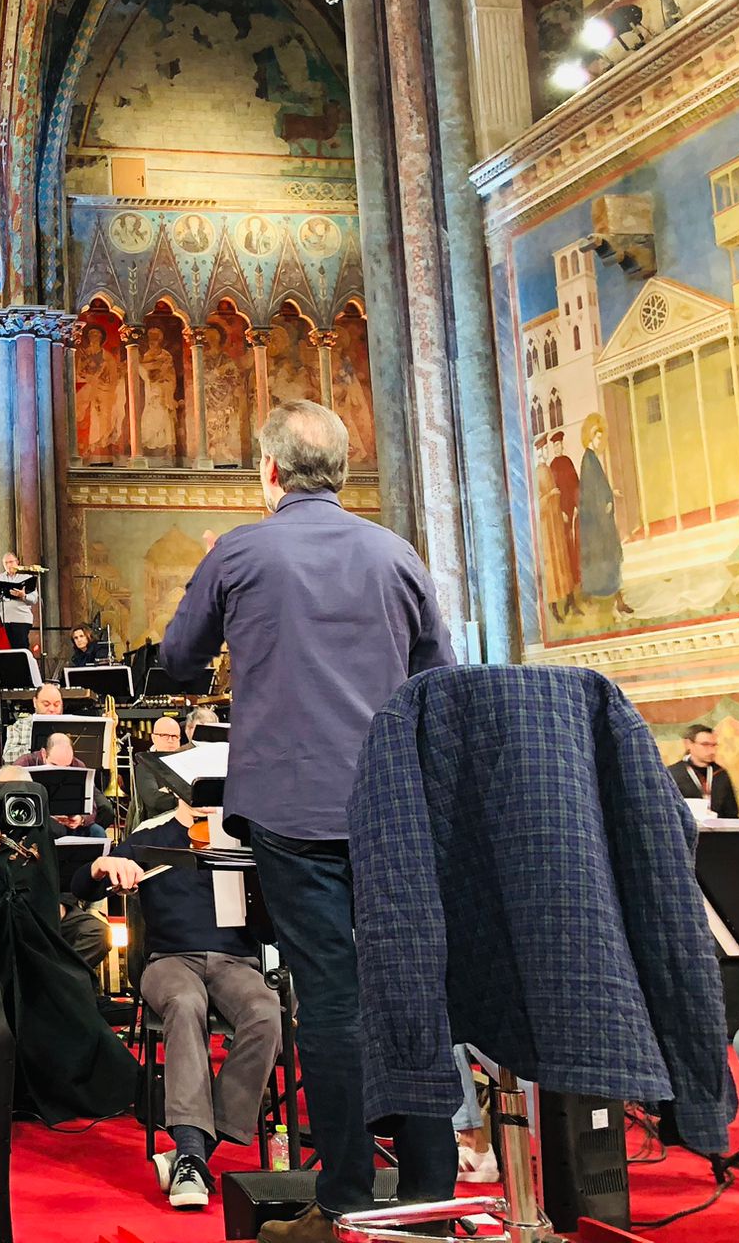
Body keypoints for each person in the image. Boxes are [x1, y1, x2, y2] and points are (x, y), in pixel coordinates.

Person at [161, 400, 454, 1243]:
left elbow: (179, 663)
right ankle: (431, 1184)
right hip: (395, 806)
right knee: (408, 987)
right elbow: (440, 680)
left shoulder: (242, 550)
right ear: (345, 472)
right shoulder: (397, 553)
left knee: (328, 995)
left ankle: (351, 1189)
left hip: (294, 806)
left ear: (271, 473)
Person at [88, 801, 281, 1211]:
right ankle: (191, 1150)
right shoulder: (150, 838)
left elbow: (269, 931)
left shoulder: (242, 838)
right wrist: (102, 867)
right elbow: (83, 884)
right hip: (169, 960)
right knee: (184, 1001)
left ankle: (193, 1153)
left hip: (236, 962)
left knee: (267, 1012)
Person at [668, 723, 739, 819]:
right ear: (688, 744)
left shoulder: (721, 774)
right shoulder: (673, 774)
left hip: (719, 830)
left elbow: (732, 813)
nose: (712, 751)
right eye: (705, 744)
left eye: (714, 745)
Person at [130, 715, 187, 823]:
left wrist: (168, 792)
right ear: (154, 738)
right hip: (160, 823)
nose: (171, 740)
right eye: (165, 735)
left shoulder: (185, 763)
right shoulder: (145, 766)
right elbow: (154, 800)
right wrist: (183, 800)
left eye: (175, 736)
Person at [0, 552, 40, 652]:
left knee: (20, 648)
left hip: (21, 619)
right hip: (4, 619)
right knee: (5, 649)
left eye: (11, 562)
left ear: (17, 562)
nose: (9, 565)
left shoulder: (27, 578)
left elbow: (34, 599)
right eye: (6, 563)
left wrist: (23, 596)